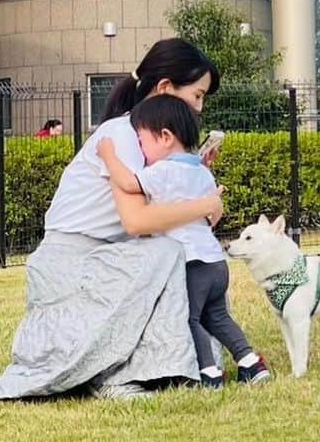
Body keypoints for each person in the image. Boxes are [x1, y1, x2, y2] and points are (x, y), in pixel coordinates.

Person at [0, 39, 224, 402]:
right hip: (73, 265)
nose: (200, 108)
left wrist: (196, 188)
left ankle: (171, 367)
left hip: (109, 258)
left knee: (186, 257)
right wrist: (200, 204)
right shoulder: (122, 135)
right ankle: (119, 375)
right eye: (198, 95)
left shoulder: (152, 144)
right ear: (164, 89)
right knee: (168, 253)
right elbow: (137, 221)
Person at [99, 95, 270, 389]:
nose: (140, 150)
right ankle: (250, 363)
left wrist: (108, 155)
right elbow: (210, 213)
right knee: (217, 316)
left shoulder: (163, 171)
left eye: (142, 142)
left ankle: (209, 373)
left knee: (190, 319)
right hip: (216, 262)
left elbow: (129, 184)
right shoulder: (202, 171)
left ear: (165, 137)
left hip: (192, 263)